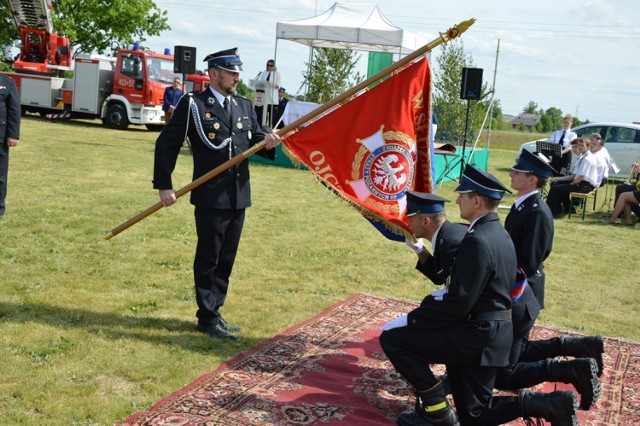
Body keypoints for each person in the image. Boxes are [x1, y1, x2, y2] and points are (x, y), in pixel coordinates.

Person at [380, 165, 579, 426]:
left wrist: (412, 320)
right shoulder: (496, 232)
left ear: (476, 201)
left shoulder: (477, 239)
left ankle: (436, 410)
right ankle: (551, 404)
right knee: (474, 415)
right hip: (492, 333)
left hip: (476, 337)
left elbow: (458, 303)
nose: (458, 200)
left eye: (463, 195)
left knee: (394, 340)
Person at [153, 47, 282, 340]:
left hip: (238, 194)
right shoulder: (194, 105)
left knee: (227, 257)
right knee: (209, 256)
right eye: (231, 72)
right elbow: (167, 144)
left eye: (238, 73)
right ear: (214, 73)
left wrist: (269, 141)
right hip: (211, 196)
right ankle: (207, 316)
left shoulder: (244, 105)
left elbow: (256, 137)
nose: (237, 78)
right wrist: (164, 185)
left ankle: (216, 312)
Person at [499, 150, 601, 411]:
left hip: (523, 294)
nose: (511, 174)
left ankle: (570, 371)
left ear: (532, 179)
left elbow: (529, 263)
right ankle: (580, 349)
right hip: (522, 293)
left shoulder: (536, 212)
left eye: (517, 172)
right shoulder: (524, 205)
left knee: (505, 373)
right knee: (517, 353)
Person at [403, 192, 468, 286]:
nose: (409, 224)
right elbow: (439, 277)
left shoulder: (450, 244)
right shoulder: (446, 235)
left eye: (411, 219)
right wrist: (420, 250)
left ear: (426, 221)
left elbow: (460, 289)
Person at [546, 137, 598, 217]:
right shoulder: (584, 157)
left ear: (588, 146)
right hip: (581, 183)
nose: (580, 147)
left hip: (584, 186)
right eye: (579, 145)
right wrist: (558, 178)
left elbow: (580, 177)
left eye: (582, 145)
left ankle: (553, 212)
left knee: (555, 188)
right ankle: (565, 208)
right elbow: (574, 175)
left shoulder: (587, 159)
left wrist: (570, 184)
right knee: (556, 183)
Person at [0, 73, 21, 219]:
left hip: (0, 137)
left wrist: (13, 135)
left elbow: (14, 110)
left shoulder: (7, 82)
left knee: (0, 177)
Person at [253, 59, 281, 127]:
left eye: (271, 65)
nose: (269, 67)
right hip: (263, 98)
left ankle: (270, 129)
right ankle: (262, 127)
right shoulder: (264, 73)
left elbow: (278, 86)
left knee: (271, 117)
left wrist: (271, 84)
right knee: (262, 116)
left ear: (274, 66)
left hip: (272, 99)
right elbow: (260, 83)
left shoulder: (277, 74)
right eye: (268, 65)